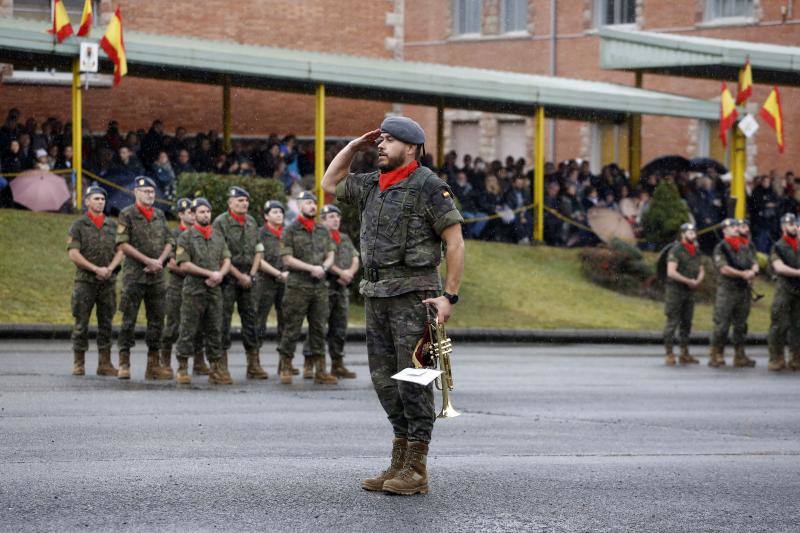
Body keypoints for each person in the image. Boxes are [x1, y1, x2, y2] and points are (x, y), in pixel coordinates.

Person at [322, 116, 465, 496]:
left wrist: (449, 297)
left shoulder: (430, 186)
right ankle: (399, 459)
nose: (381, 145)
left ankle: (416, 467)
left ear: (412, 147)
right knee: (385, 380)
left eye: (390, 140)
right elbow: (329, 183)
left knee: (414, 380)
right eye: (380, 139)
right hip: (376, 293)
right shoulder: (371, 184)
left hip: (414, 295)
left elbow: (454, 242)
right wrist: (353, 146)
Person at [115, 176, 175, 380]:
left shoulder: (159, 214)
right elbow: (123, 244)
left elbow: (169, 241)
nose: (150, 195)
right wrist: (147, 260)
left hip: (157, 276)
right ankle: (124, 362)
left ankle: (153, 364)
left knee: (157, 320)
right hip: (135, 276)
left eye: (152, 191)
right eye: (145, 191)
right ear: (136, 193)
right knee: (128, 321)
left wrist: (158, 261)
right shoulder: (127, 214)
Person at [276, 191, 337, 385]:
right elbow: (287, 259)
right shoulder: (290, 230)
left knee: (319, 327)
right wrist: (312, 268)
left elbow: (330, 254)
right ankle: (285, 365)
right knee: (292, 327)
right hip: (297, 285)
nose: (312, 206)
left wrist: (324, 267)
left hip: (319, 286)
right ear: (300, 205)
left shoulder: (321, 230)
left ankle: (320, 369)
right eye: (308, 203)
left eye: (314, 203)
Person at [66, 186, 124, 377]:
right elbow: (73, 253)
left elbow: (121, 250)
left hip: (107, 282)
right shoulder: (78, 225)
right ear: (87, 201)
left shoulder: (111, 225)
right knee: (81, 322)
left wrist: (109, 268)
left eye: (102, 199)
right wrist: (95, 269)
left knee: (106, 323)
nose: (100, 202)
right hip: (85, 282)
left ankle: (104, 363)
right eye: (96, 198)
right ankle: (78, 362)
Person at [174, 197, 233, 385]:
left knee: (215, 328)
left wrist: (220, 275)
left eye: (208, 211)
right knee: (188, 329)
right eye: (201, 212)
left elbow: (226, 259)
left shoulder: (217, 236)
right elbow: (184, 264)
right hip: (194, 289)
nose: (206, 215)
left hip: (214, 290)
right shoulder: (186, 237)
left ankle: (216, 368)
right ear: (193, 214)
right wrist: (210, 273)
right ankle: (183, 366)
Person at [212, 186, 267, 379]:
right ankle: (220, 365)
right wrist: (239, 276)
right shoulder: (220, 222)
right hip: (228, 278)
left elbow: (259, 249)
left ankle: (253, 364)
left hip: (249, 279)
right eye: (239, 201)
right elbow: (218, 252)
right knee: (223, 322)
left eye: (246, 201)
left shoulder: (251, 222)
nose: (244, 204)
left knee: (251, 321)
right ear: (230, 203)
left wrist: (251, 274)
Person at [302, 204, 360, 379]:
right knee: (318, 326)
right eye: (331, 217)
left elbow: (355, 257)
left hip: (342, 288)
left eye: (337, 216)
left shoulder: (344, 238)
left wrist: (349, 272)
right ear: (323, 220)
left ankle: (337, 363)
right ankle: (309, 362)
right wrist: (341, 272)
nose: (335, 220)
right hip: (324, 287)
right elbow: (323, 259)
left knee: (339, 327)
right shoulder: (319, 237)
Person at [160, 198, 210, 378]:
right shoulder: (175, 235)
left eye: (193, 211)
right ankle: (164, 362)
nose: (192, 214)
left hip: (198, 287)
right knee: (172, 325)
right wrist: (195, 272)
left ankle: (198, 361)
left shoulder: (203, 234)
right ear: (181, 214)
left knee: (198, 325)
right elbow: (172, 264)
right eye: (188, 212)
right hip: (178, 286)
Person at [708, 218, 758, 368]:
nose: (736, 228)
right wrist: (742, 274)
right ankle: (716, 354)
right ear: (725, 231)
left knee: (741, 325)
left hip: (743, 291)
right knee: (722, 324)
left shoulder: (745, 246)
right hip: (727, 291)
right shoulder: (721, 247)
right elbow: (723, 268)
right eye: (732, 227)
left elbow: (754, 261)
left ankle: (739, 355)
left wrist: (753, 271)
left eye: (737, 226)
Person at [254, 199, 292, 374]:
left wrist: (287, 274)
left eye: (281, 212)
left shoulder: (288, 233)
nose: (279, 215)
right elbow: (258, 260)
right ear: (266, 216)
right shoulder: (260, 234)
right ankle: (254, 361)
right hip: (265, 281)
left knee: (285, 321)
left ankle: (284, 363)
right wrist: (277, 274)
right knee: (259, 321)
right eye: (275, 212)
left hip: (286, 282)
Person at [663, 223, 704, 365]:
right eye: (690, 232)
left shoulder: (696, 251)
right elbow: (671, 272)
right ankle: (669, 353)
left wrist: (698, 280)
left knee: (687, 323)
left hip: (690, 291)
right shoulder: (676, 250)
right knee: (672, 322)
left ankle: (684, 353)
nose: (693, 234)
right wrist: (688, 281)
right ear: (683, 234)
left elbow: (701, 269)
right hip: (676, 291)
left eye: (694, 232)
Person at [767, 214, 800, 371]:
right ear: (783, 227)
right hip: (785, 289)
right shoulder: (778, 246)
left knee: (798, 326)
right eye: (790, 224)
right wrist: (798, 272)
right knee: (779, 325)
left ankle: (796, 357)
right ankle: (776, 357)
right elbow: (779, 267)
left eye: (795, 223)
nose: (794, 226)